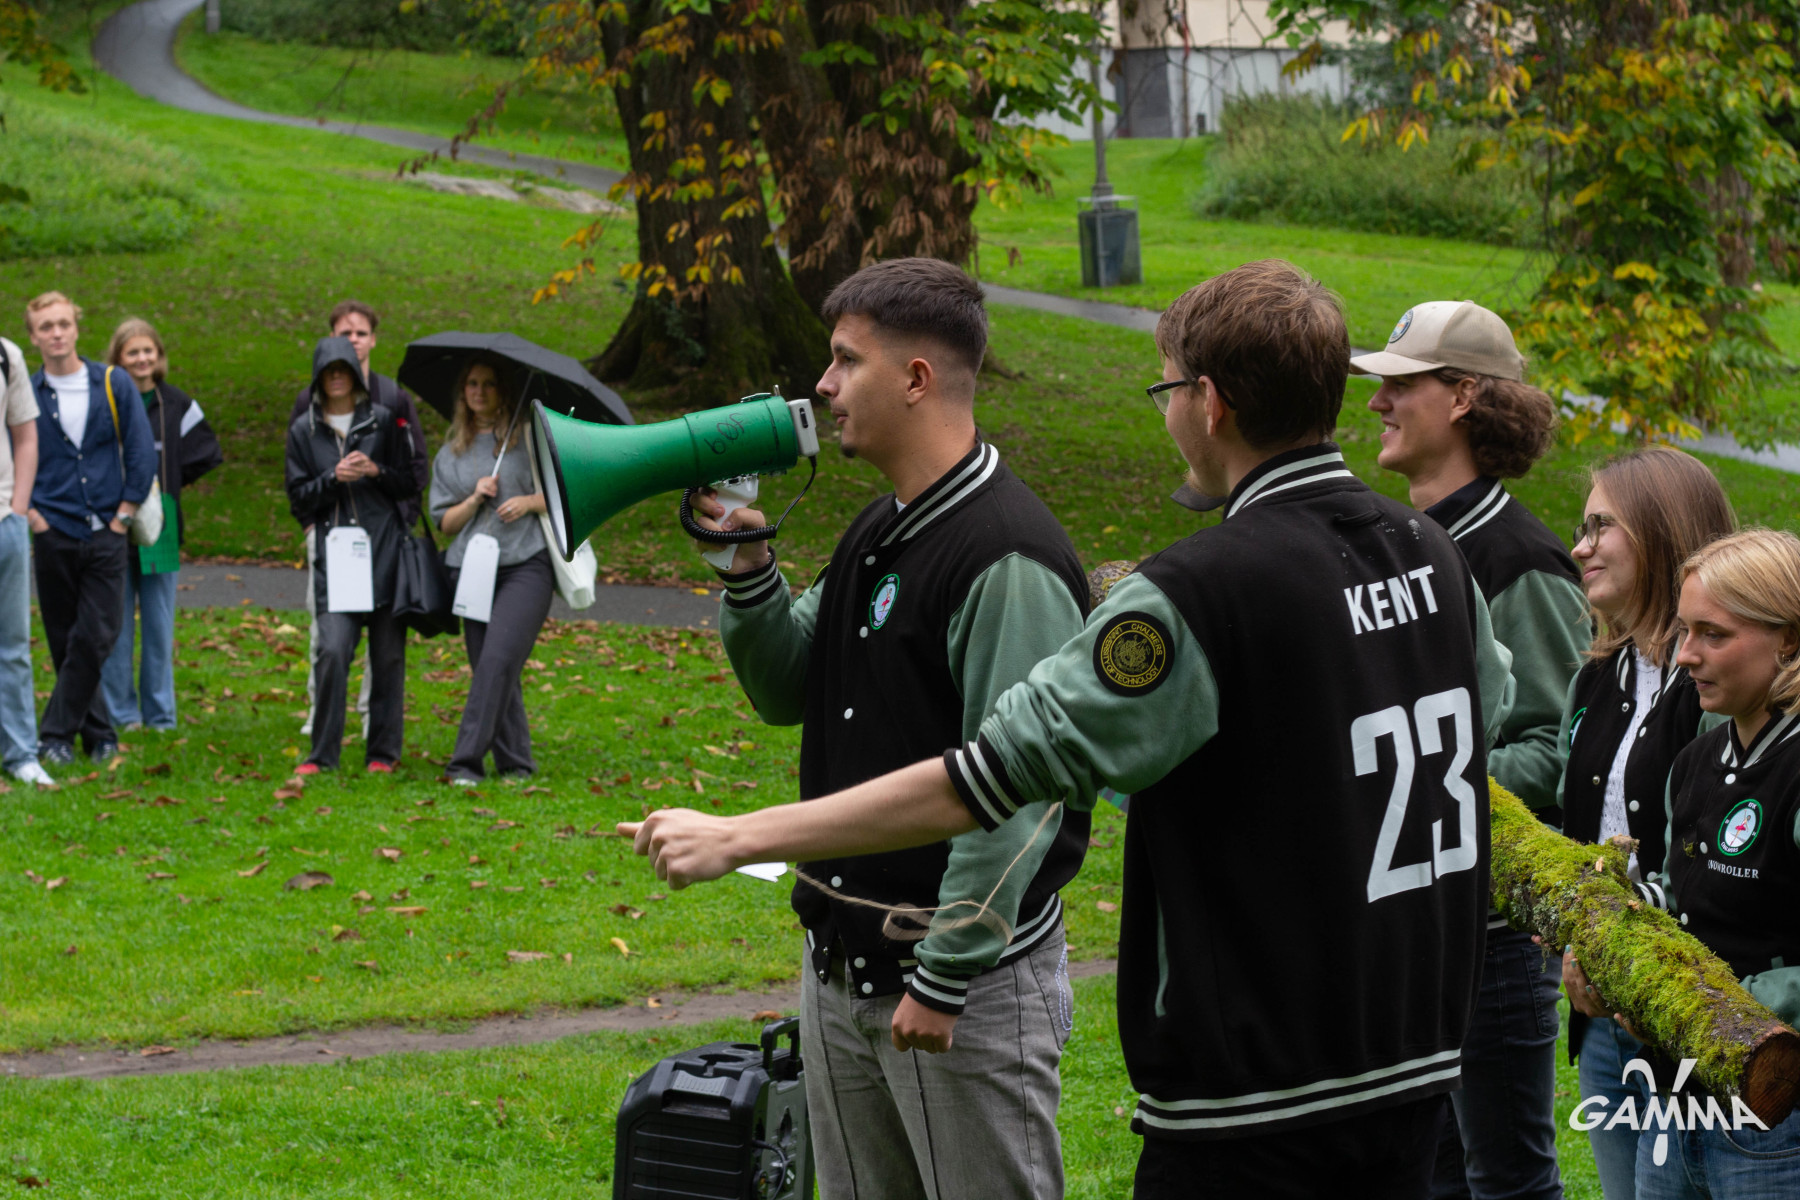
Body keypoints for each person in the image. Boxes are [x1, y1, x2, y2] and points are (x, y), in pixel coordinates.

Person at [629, 259, 1518, 1198]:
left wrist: (743, 835)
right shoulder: (1431, 552)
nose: (1166, 415)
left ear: (1210, 402)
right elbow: (1484, 711)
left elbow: (991, 779)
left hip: (1255, 1097)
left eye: (1167, 391)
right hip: (1413, 1065)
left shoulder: (1198, 591)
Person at [688, 257, 1092, 1200]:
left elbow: (1022, 792)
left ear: (915, 379)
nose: (822, 386)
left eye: (845, 360)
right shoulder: (880, 529)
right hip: (840, 967)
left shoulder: (1008, 556)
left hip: (960, 989)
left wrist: (945, 975)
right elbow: (788, 682)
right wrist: (749, 567)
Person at [1356, 301, 1590, 1200]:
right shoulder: (1396, 544)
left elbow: (1557, 751)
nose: (1377, 403)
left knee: (1506, 1181)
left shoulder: (1518, 556)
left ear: (1462, 398)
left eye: (1400, 384)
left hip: (1492, 942)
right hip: (1410, 923)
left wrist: (1408, 777)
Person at [1564, 528, 1800, 1197]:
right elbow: (1680, 895)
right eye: (1685, 630)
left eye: (1713, 635)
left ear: (1788, 640)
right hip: (1672, 1102)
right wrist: (1610, 947)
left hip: (1774, 1122)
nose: (1687, 654)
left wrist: (1725, 1006)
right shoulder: (1695, 759)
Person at [1553, 447, 1734, 1200]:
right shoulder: (1600, 674)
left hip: (1695, 1022)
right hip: (1601, 1013)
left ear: (1662, 531)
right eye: (1582, 527)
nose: (1580, 546)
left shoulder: (1722, 690)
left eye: (1602, 526)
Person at [22, 292, 156, 766]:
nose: (56, 333)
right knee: (65, 637)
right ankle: (99, 736)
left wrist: (124, 514)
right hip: (52, 529)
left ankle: (54, 734)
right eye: (46, 327)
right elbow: (12, 456)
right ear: (33, 336)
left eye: (63, 323)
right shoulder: (26, 393)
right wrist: (33, 516)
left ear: (76, 327)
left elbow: (140, 449)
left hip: (106, 529)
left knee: (97, 634)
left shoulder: (112, 383)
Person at [290, 301, 429, 739]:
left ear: (373, 339)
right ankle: (321, 714)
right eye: (344, 334)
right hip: (330, 538)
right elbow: (298, 475)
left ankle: (375, 721)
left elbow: (412, 470)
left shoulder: (391, 399)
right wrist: (312, 525)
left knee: (384, 641)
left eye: (361, 333)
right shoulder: (307, 407)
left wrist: (400, 517)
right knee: (328, 634)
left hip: (385, 537)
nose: (352, 341)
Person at [428, 357, 551, 784]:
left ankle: (464, 762)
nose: (479, 392)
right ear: (463, 392)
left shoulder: (530, 440)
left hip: (526, 564)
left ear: (504, 392)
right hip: (473, 568)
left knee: (498, 658)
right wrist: (474, 498)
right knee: (491, 667)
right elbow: (445, 523)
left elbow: (565, 494)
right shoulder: (451, 454)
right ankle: (516, 763)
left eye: (489, 384)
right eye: (472, 384)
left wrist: (528, 502)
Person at [98, 318, 223, 733]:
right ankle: (122, 714)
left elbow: (206, 452)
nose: (141, 359)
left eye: (147, 351)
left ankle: (160, 715)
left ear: (159, 355)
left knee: (158, 624)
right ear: (118, 358)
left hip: (162, 526)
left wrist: (166, 484)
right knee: (115, 625)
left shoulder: (177, 404)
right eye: (132, 352)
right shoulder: (105, 401)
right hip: (113, 524)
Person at [0, 331, 51, 785]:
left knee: (13, 646)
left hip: (4, 522)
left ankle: (21, 754)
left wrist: (18, 509)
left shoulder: (6, 354)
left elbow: (26, 436)